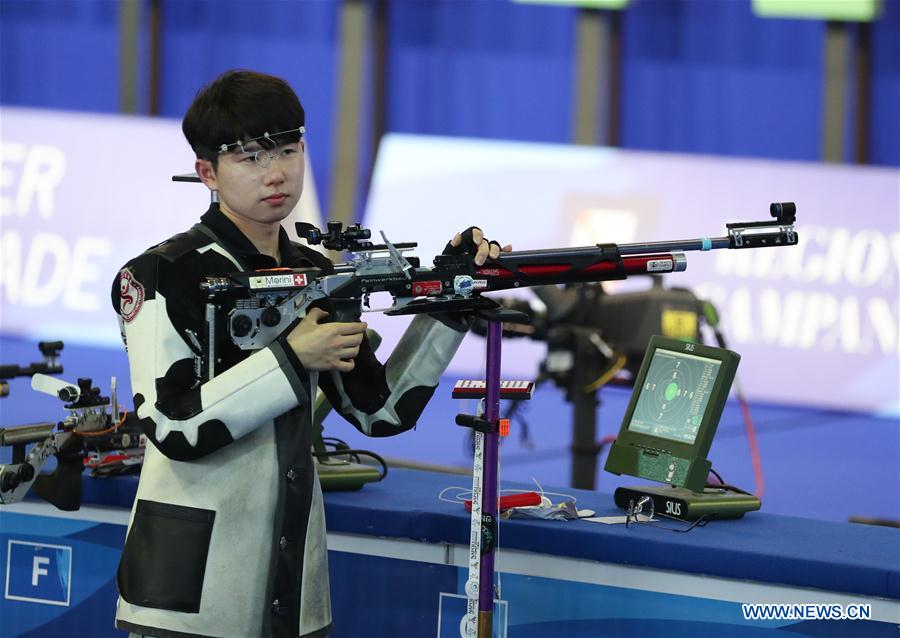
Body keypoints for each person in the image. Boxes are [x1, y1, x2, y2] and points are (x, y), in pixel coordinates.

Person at [110, 70, 509, 638]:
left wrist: (447, 299)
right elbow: (173, 426)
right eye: (249, 157)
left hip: (293, 591)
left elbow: (379, 411)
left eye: (289, 150)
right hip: (184, 595)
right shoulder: (158, 274)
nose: (276, 173)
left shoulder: (319, 275)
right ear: (207, 173)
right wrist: (294, 357)